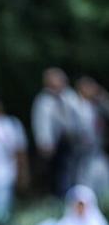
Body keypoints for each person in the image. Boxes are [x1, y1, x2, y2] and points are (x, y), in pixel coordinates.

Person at [31, 68, 82, 198]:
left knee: (73, 171)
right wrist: (44, 142)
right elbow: (41, 122)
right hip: (54, 143)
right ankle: (57, 199)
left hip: (72, 140)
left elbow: (80, 115)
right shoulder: (43, 100)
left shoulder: (69, 96)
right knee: (55, 174)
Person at [74, 76, 109, 200]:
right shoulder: (75, 105)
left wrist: (101, 95)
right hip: (81, 154)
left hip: (99, 151)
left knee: (104, 182)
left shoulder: (98, 105)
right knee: (85, 186)